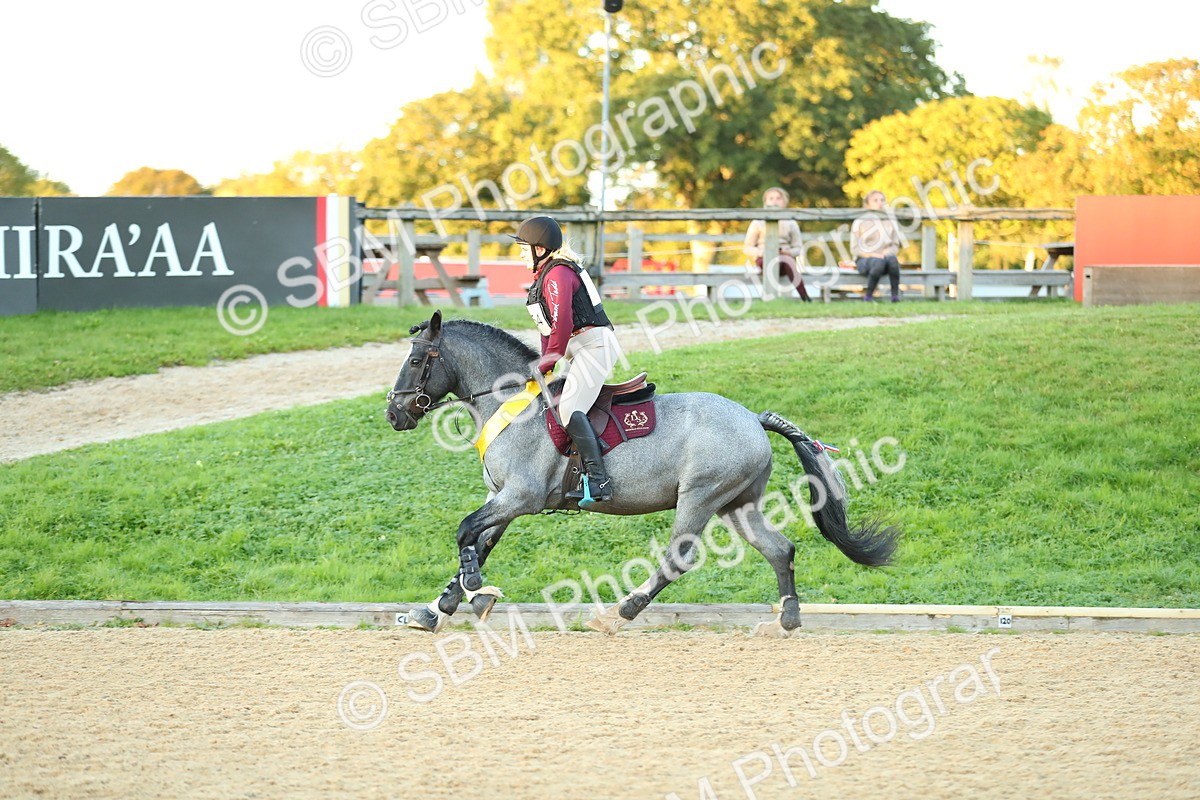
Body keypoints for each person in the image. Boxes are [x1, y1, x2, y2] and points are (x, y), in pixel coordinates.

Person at [512, 215, 623, 505]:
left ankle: (600, 482)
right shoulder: (545, 277)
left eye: (525, 248)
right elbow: (548, 331)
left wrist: (547, 363)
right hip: (580, 347)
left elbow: (562, 327)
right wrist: (543, 366)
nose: (522, 254)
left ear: (540, 249)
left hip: (594, 346)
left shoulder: (558, 274)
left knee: (570, 408)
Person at [743, 187, 810, 301]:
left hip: (785, 261)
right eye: (771, 198)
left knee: (786, 260)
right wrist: (762, 252)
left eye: (778, 198)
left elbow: (798, 248)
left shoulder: (791, 223)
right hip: (763, 259)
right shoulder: (757, 222)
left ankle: (805, 297)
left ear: (784, 202)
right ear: (766, 202)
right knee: (776, 260)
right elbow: (747, 248)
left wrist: (788, 252)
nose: (775, 201)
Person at [850, 190, 903, 302]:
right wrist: (872, 254)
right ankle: (868, 296)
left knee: (893, 260)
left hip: (885, 258)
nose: (880, 203)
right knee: (877, 262)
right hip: (865, 259)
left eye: (882, 200)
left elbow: (895, 245)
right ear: (867, 204)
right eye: (875, 200)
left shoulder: (890, 221)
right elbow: (855, 248)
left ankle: (895, 296)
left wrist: (884, 253)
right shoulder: (859, 222)